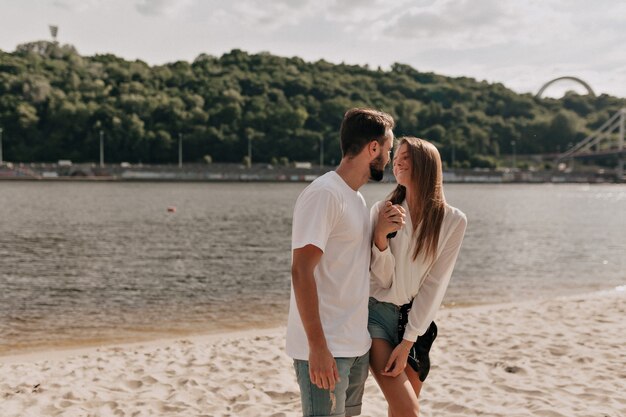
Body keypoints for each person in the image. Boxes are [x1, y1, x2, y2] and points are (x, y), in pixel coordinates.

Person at [286, 108, 395, 417]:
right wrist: (318, 347)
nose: (388, 159)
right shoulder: (324, 194)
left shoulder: (357, 199)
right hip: (326, 349)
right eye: (387, 150)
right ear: (373, 148)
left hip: (355, 346)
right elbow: (301, 270)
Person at [367, 137, 467, 417]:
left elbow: (435, 284)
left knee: (400, 411)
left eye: (405, 156)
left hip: (416, 324)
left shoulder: (453, 221)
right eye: (396, 156)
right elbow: (381, 280)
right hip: (376, 315)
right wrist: (380, 238)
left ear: (425, 164)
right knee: (408, 409)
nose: (396, 161)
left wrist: (409, 339)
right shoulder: (382, 210)